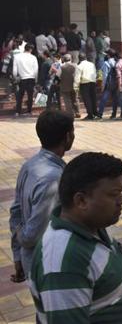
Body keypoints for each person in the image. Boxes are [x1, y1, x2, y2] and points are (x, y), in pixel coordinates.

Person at [29, 152, 122, 322]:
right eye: (114, 194)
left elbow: (96, 281)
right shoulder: (63, 262)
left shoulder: (93, 228)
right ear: (81, 201)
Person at [9, 111, 74, 282]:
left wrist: (17, 254)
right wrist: (20, 240)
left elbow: (16, 212)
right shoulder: (53, 178)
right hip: (48, 266)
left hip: (33, 260)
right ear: (68, 137)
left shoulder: (30, 165)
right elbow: (32, 235)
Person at [12, 43, 39, 116]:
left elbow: (14, 70)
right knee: (30, 96)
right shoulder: (33, 57)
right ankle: (29, 111)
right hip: (31, 78)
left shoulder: (17, 57)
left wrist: (15, 78)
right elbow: (36, 69)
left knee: (20, 95)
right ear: (30, 49)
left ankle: (18, 111)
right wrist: (36, 79)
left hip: (22, 78)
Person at [77, 52, 98, 120]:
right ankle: (95, 113)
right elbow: (95, 73)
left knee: (87, 99)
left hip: (84, 83)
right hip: (93, 82)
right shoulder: (91, 64)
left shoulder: (79, 66)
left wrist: (76, 86)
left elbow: (77, 77)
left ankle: (90, 115)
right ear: (85, 57)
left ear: (79, 59)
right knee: (93, 98)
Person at [59, 54, 81, 118]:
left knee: (67, 100)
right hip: (74, 85)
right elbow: (78, 75)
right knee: (75, 99)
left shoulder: (61, 67)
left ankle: (70, 113)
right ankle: (77, 112)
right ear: (70, 59)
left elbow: (58, 77)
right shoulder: (75, 66)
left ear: (63, 59)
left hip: (64, 86)